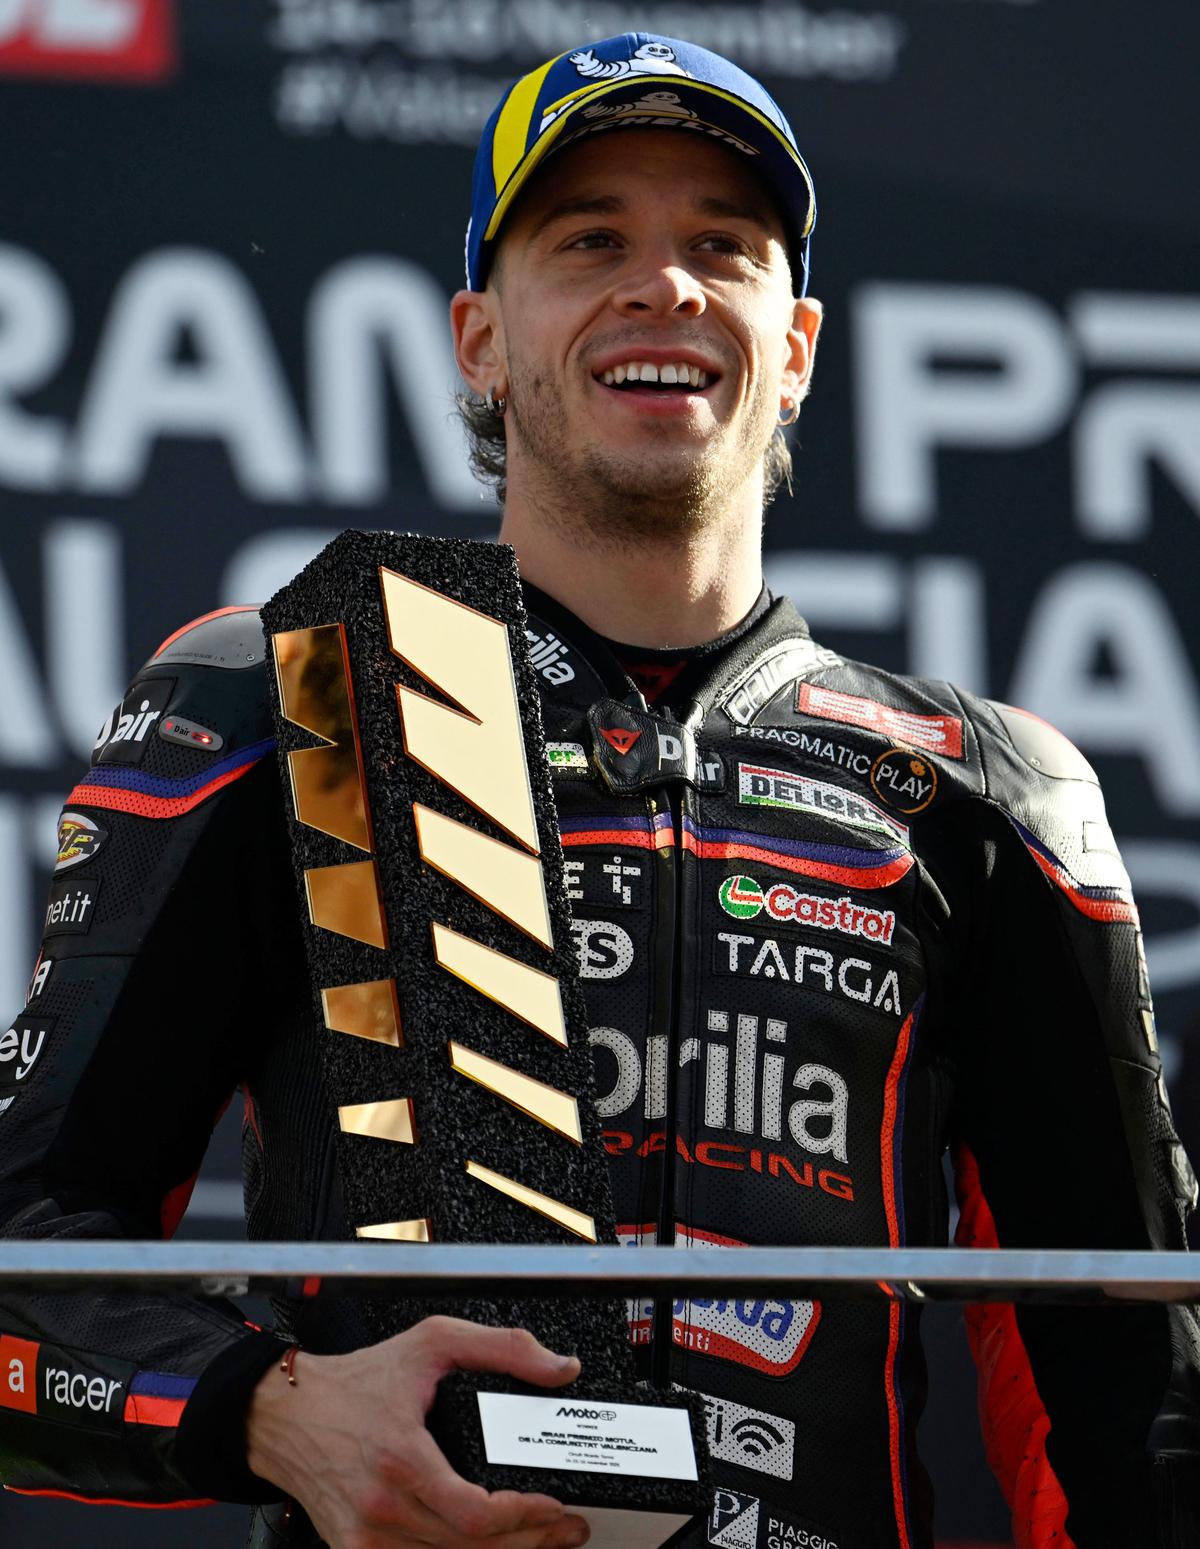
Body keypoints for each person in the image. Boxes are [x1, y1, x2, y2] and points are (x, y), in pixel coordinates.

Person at [1, 30, 1197, 1549]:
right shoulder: (306, 686)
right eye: (590, 242)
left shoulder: (982, 787)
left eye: (722, 244)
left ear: (800, 342)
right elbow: (23, 1256)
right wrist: (270, 1406)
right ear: (480, 339)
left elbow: (1126, 1381)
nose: (665, 285)